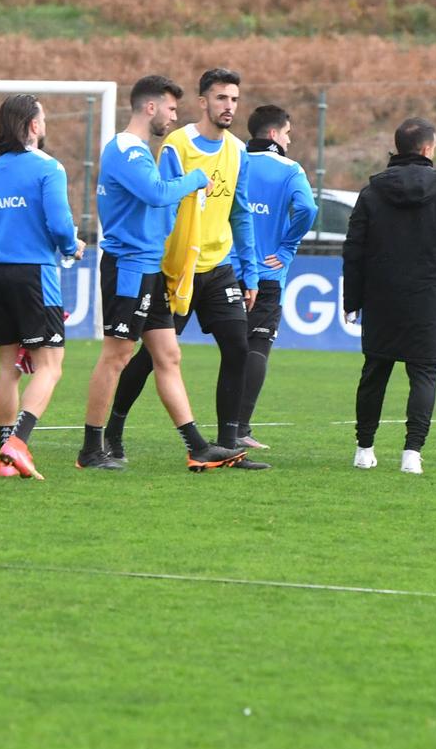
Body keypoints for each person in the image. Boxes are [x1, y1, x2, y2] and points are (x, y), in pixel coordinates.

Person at [103, 66, 269, 468]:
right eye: (221, 98)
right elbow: (158, 203)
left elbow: (240, 210)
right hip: (177, 269)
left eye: (234, 99)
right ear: (203, 102)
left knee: (237, 348)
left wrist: (250, 270)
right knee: (149, 356)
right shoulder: (177, 145)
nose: (229, 106)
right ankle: (112, 430)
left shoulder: (238, 150)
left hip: (221, 266)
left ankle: (227, 445)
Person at [75, 75, 239, 473]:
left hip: (150, 267)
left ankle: (197, 446)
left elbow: (158, 203)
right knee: (117, 355)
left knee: (168, 355)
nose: (173, 116)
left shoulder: (141, 151)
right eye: (170, 108)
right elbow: (157, 194)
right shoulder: (126, 151)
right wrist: (197, 179)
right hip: (129, 267)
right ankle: (91, 448)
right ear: (150, 108)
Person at [342, 118, 436, 476]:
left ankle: (364, 449)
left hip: (381, 295)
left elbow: (353, 250)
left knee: (375, 372)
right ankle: (411, 454)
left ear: (398, 148)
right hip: (430, 297)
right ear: (429, 149)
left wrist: (351, 300)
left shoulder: (371, 193)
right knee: (424, 375)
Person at [0, 94, 83, 481]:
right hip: (33, 273)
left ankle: (4, 456)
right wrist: (73, 247)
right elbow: (59, 227)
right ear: (34, 126)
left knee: (8, 367)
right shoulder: (48, 168)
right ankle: (18, 444)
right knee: (50, 365)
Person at [235, 104, 318, 450]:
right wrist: (285, 248)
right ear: (273, 134)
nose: (289, 140)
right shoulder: (290, 169)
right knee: (257, 347)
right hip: (268, 272)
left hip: (227, 268)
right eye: (287, 134)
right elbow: (308, 209)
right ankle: (239, 429)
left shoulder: (233, 159)